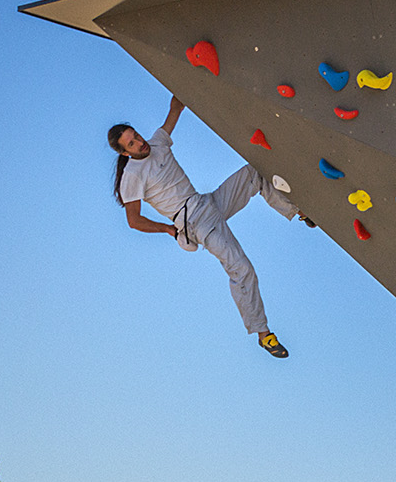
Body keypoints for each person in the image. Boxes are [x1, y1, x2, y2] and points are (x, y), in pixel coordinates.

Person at [108, 95, 311, 357]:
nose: (140, 143)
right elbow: (133, 220)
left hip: (208, 202)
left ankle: (299, 212)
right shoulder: (132, 177)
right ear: (125, 152)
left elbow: (175, 109)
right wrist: (169, 229)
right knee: (241, 267)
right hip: (195, 222)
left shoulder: (157, 142)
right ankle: (264, 335)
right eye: (132, 144)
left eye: (136, 135)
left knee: (253, 173)